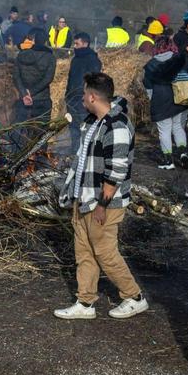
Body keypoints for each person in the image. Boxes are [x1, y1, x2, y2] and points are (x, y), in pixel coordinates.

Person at [54, 72, 147, 320]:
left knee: (105, 252)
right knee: (84, 252)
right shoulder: (94, 122)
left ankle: (134, 296)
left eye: (85, 93)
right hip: (84, 199)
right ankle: (85, 302)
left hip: (104, 203)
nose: (83, 98)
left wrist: (102, 205)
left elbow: (116, 171)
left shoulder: (116, 125)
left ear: (93, 96)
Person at [142, 36, 188, 170]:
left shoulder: (150, 65)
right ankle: (182, 153)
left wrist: (153, 100)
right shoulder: (180, 60)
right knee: (178, 127)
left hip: (160, 98)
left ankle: (168, 160)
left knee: (164, 130)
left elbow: (148, 87)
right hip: (179, 97)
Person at [13, 27, 56, 128]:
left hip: (23, 100)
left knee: (22, 133)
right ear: (45, 41)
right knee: (41, 133)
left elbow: (16, 76)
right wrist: (31, 92)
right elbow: (48, 79)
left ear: (34, 40)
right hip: (42, 100)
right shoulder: (50, 57)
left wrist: (24, 93)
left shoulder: (21, 55)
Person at [63, 32, 102, 122]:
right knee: (72, 124)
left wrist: (86, 97)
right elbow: (70, 78)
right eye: (74, 43)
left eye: (77, 44)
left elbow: (93, 81)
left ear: (85, 44)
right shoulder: (75, 59)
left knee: (83, 125)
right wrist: (67, 94)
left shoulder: (93, 60)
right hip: (71, 97)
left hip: (83, 100)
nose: (74, 46)